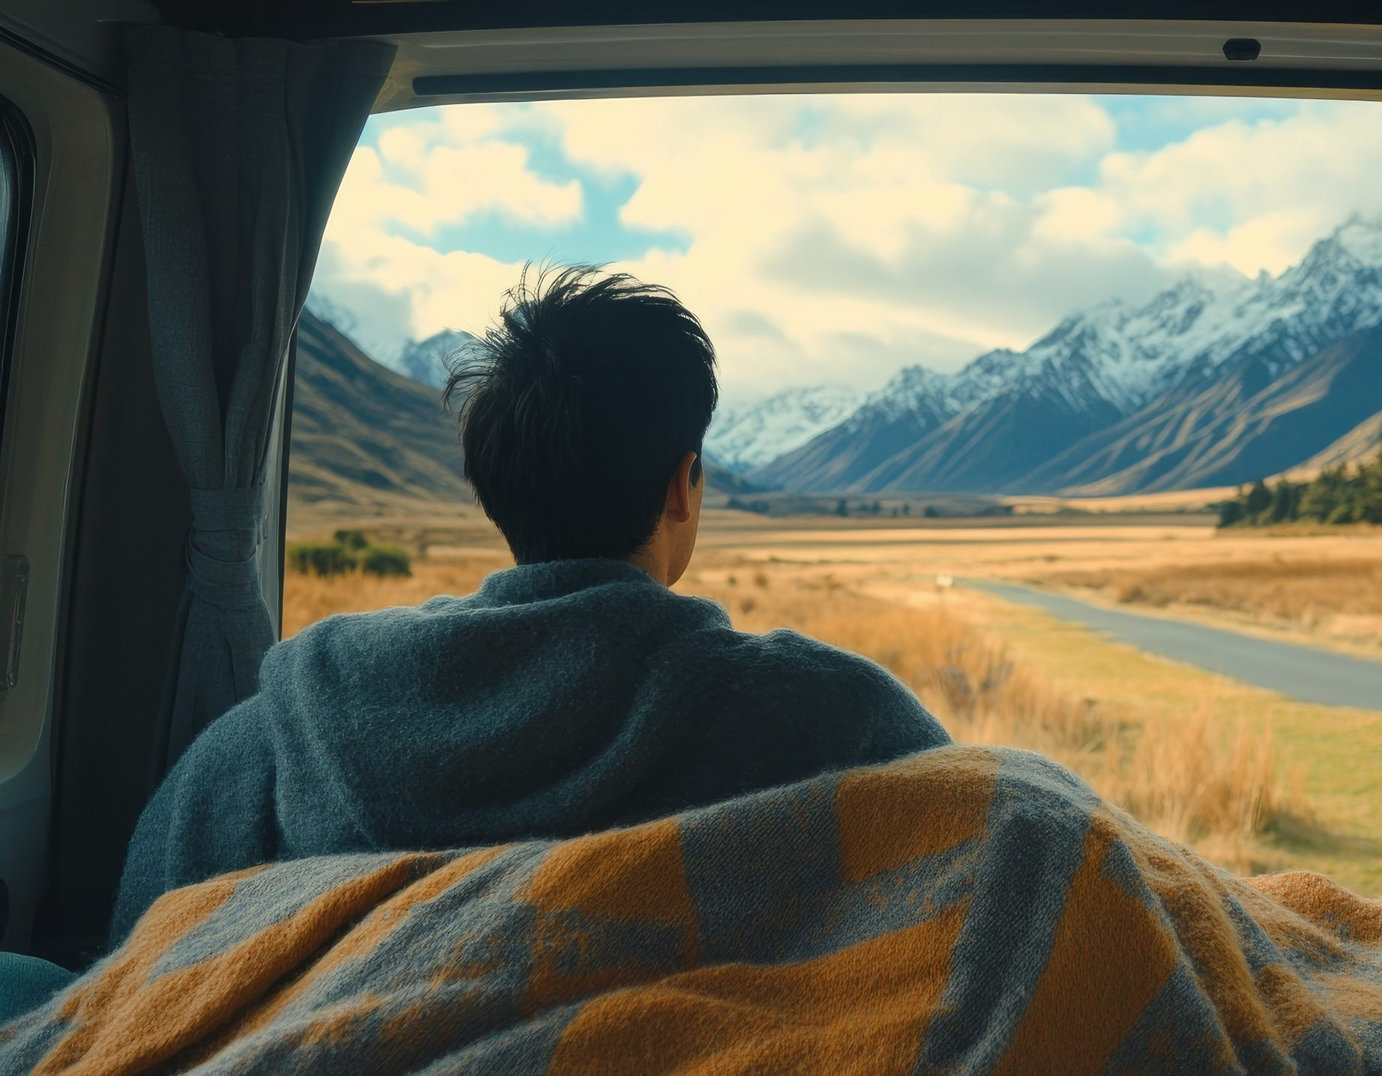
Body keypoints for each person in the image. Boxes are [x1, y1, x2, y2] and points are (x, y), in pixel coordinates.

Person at [109, 266, 951, 942]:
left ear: (496, 493)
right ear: (681, 488)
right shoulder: (839, 721)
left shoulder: (271, 740)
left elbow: (138, 970)